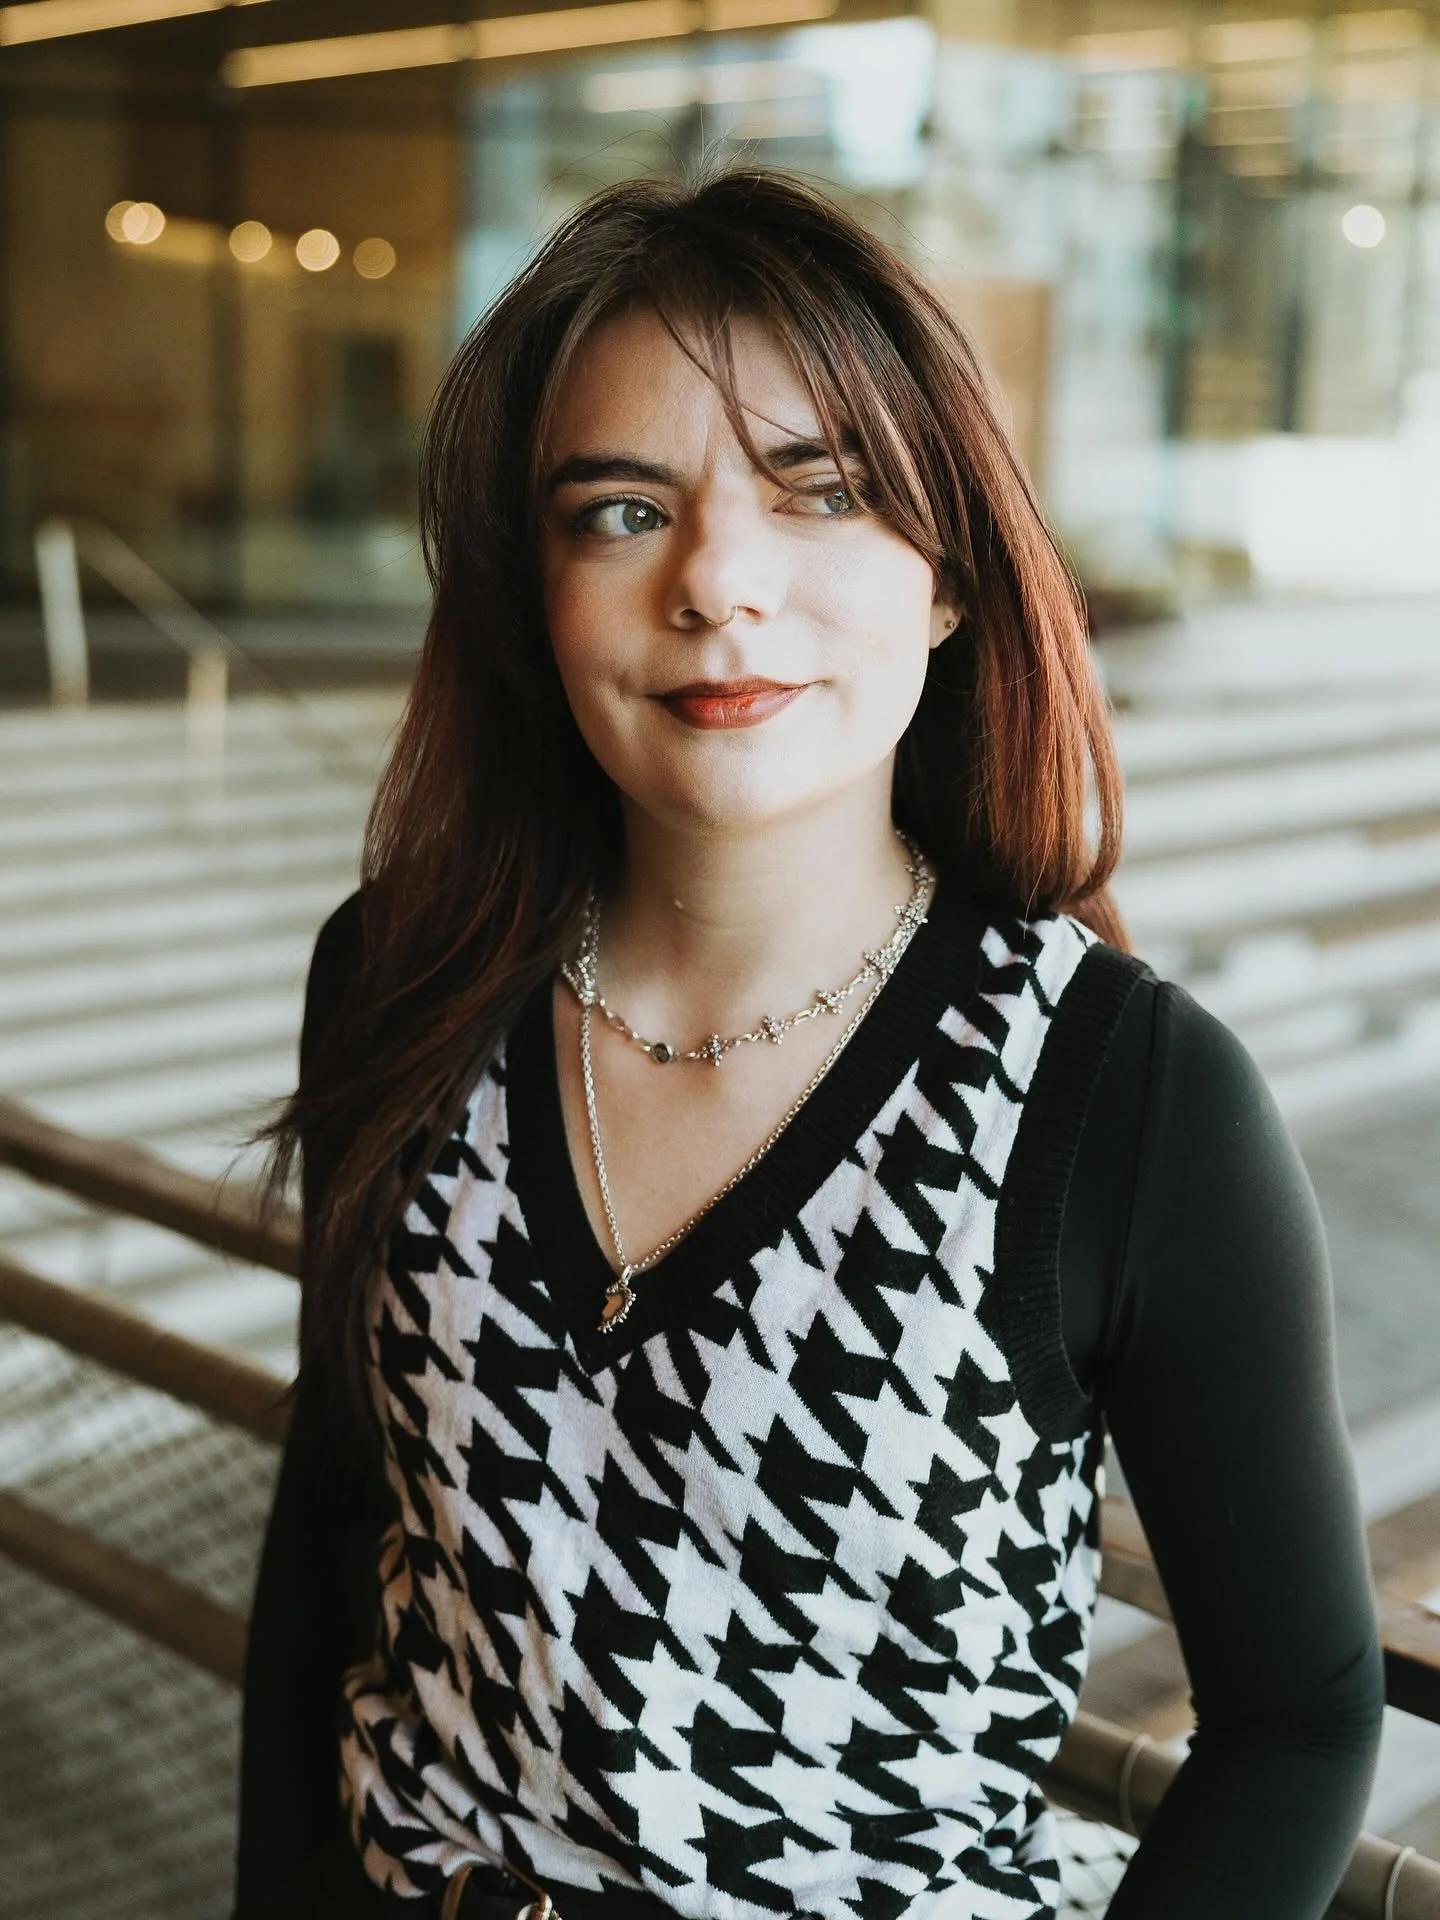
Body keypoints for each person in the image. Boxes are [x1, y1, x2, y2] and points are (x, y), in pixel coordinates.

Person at [234, 168, 1383, 1920]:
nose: (716, 582)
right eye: (620, 511)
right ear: (533, 594)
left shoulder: (1124, 1095)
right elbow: (337, 1510)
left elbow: (1298, 1722)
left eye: (822, 491)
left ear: (947, 577)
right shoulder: (403, 974)